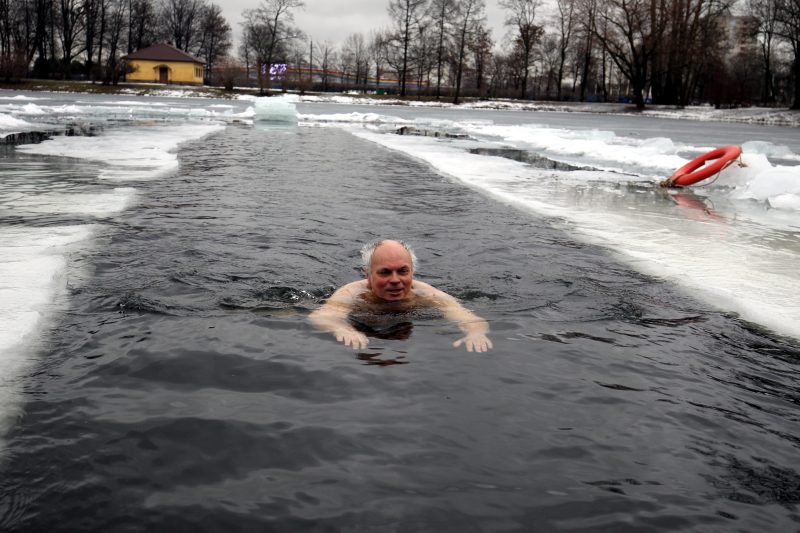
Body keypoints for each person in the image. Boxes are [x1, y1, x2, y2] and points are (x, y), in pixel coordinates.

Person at [309, 239, 493, 352]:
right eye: (385, 272)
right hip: (362, 330)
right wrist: (342, 329)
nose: (395, 280)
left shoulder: (427, 294)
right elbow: (322, 317)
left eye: (402, 271)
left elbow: (468, 317)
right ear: (368, 275)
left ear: (412, 272)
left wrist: (475, 334)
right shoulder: (353, 293)